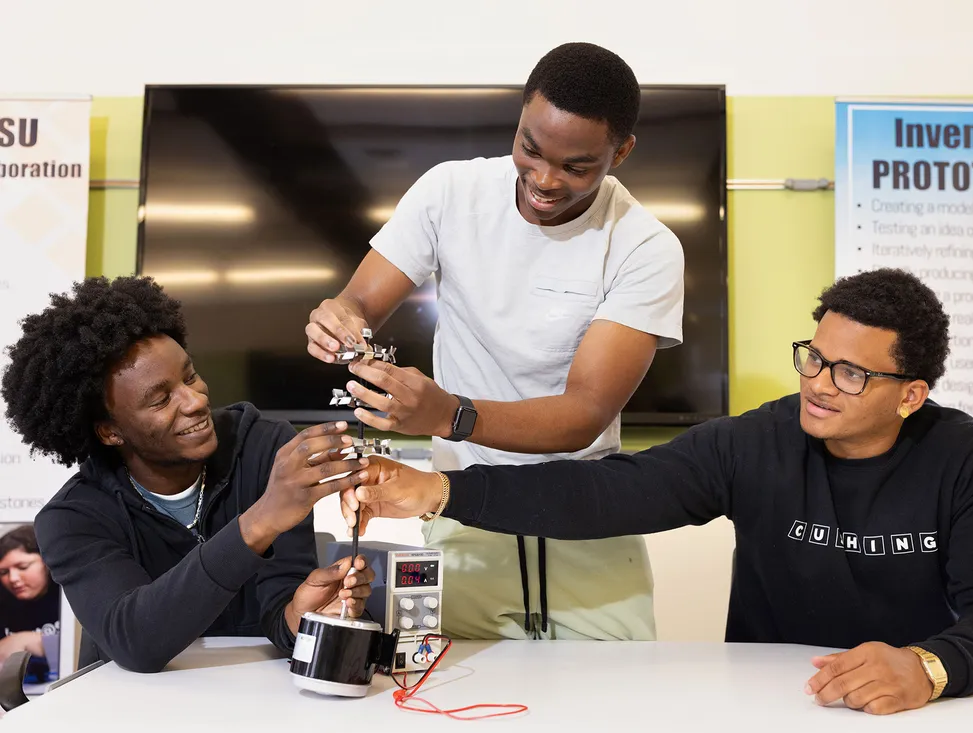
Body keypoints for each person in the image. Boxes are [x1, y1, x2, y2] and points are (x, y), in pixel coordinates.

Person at [341, 268, 973, 715]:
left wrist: (929, 667)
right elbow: (606, 493)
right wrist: (439, 489)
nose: (817, 383)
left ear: (911, 395)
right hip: (773, 704)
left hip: (913, 708)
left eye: (850, 374)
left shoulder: (969, 461)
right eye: (815, 358)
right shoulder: (758, 441)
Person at [305, 42, 684, 641]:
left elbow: (584, 413)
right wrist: (340, 316)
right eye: (530, 149)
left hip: (588, 515)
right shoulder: (449, 194)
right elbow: (359, 302)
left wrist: (448, 415)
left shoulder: (644, 247)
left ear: (622, 151)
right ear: (520, 115)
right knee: (457, 698)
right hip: (459, 506)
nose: (544, 179)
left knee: (616, 701)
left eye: (576, 167)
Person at [0, 276, 373, 673]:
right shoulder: (73, 519)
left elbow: (280, 606)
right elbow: (136, 641)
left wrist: (301, 616)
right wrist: (260, 520)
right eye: (161, 399)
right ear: (110, 431)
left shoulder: (267, 450)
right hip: (129, 706)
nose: (196, 401)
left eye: (190, 376)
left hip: (252, 693)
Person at [0, 525, 60, 676]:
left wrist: (41, 643)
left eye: (23, 567)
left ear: (46, 563)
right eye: (3, 572)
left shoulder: (69, 595)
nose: (12, 579)